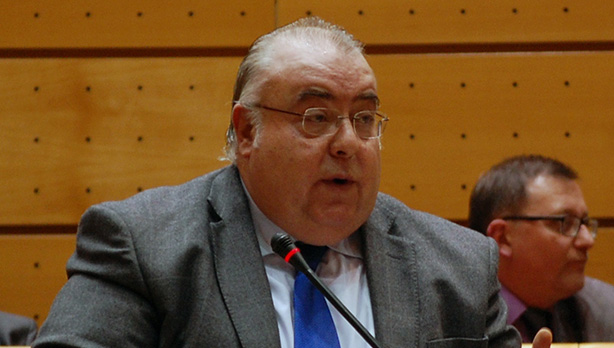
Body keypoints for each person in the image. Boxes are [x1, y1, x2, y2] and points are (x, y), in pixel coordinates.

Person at [33, 17, 551, 348]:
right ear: (246, 130)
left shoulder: (457, 262)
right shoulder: (145, 247)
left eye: (366, 119)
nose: (348, 142)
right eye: (316, 117)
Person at [469, 154, 614, 342]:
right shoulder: (451, 316)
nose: (587, 241)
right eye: (565, 222)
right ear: (502, 237)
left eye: (584, 223)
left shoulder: (604, 307)